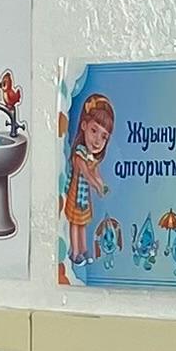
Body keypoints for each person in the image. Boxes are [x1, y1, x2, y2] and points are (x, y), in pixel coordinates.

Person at [64, 91, 115, 270]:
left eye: (104, 136)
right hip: (76, 195)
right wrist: (96, 184)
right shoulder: (79, 154)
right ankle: (75, 252)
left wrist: (101, 184)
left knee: (83, 224)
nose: (97, 141)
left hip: (84, 199)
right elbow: (86, 173)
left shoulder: (92, 158)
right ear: (84, 125)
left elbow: (96, 172)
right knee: (75, 223)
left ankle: (84, 250)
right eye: (94, 131)